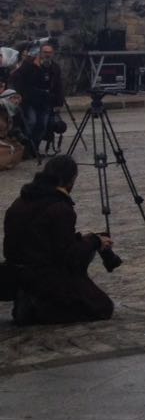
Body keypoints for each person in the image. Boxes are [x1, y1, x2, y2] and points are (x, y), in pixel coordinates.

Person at [3, 156, 117, 325]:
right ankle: (42, 308)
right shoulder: (60, 208)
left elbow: (44, 239)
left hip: (17, 271)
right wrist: (95, 242)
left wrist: (81, 238)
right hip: (44, 276)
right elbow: (68, 256)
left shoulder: (21, 201)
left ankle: (34, 301)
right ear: (70, 179)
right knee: (102, 307)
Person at [12, 41, 66, 158]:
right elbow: (18, 78)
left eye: (50, 52)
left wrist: (59, 102)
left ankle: (34, 149)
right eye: (45, 52)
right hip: (30, 100)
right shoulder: (30, 65)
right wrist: (31, 64)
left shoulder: (54, 68)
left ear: (53, 53)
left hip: (45, 101)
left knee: (42, 125)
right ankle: (23, 150)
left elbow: (58, 85)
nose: (47, 54)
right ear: (40, 53)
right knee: (31, 122)